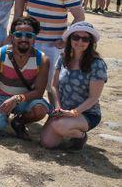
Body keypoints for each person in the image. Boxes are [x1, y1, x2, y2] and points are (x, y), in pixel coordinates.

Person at [14, 0, 84, 90]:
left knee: (51, 84)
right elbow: (19, 9)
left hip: (53, 45)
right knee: (26, 79)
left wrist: (65, 39)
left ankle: (53, 110)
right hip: (30, 41)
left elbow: (80, 17)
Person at [0, 17, 51, 139]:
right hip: (0, 97)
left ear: (34, 37)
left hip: (24, 99)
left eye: (28, 35)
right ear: (12, 37)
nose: (23, 39)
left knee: (40, 110)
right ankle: (0, 118)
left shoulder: (42, 60)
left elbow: (39, 92)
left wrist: (17, 98)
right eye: (18, 35)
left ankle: (18, 122)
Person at [40, 22, 107, 151]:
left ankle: (80, 136)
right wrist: (58, 107)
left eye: (85, 39)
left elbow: (93, 98)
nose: (80, 41)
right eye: (76, 37)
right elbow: (54, 86)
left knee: (60, 126)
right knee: (46, 143)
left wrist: (73, 113)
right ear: (70, 39)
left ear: (90, 42)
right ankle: (65, 126)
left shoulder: (97, 64)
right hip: (63, 110)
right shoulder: (63, 57)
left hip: (86, 113)